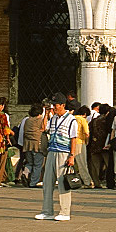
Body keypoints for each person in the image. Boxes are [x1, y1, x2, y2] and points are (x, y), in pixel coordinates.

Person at [35, 92, 78, 222]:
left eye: (56, 105)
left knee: (63, 183)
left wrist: (72, 156)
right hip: (52, 152)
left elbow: (73, 139)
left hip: (64, 153)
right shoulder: (52, 118)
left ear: (63, 105)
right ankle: (47, 211)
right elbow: (44, 128)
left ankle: (65, 212)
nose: (53, 107)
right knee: (47, 182)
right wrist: (47, 115)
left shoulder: (71, 120)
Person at [21, 103, 46, 188]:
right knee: (37, 165)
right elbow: (44, 128)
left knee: (29, 163)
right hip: (37, 145)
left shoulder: (27, 120)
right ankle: (33, 182)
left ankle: (25, 173)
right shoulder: (40, 120)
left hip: (27, 145)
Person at [89, 102, 113, 188]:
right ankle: (109, 181)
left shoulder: (94, 120)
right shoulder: (107, 120)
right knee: (108, 164)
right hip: (105, 145)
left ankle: (96, 183)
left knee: (95, 165)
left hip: (95, 145)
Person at [73, 105, 93, 187]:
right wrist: (87, 141)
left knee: (73, 164)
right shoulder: (82, 120)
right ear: (85, 114)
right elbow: (86, 132)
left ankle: (73, 180)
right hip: (80, 142)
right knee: (82, 163)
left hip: (71, 142)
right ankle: (87, 181)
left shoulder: (72, 118)